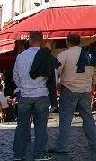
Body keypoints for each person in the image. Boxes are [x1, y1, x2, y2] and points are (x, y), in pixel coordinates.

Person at [48, 33, 96, 155]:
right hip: (85, 90)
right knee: (87, 117)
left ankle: (62, 145)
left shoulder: (64, 55)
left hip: (69, 89)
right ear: (79, 42)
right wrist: (92, 82)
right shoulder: (90, 54)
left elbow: (56, 71)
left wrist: (57, 85)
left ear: (68, 42)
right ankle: (93, 142)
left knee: (66, 119)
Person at [13, 31, 52, 161]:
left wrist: (23, 87)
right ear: (41, 41)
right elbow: (53, 76)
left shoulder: (21, 56)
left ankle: (18, 154)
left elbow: (16, 76)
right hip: (41, 94)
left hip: (25, 94)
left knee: (22, 126)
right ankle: (39, 154)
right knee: (41, 127)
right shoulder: (45, 56)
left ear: (29, 41)